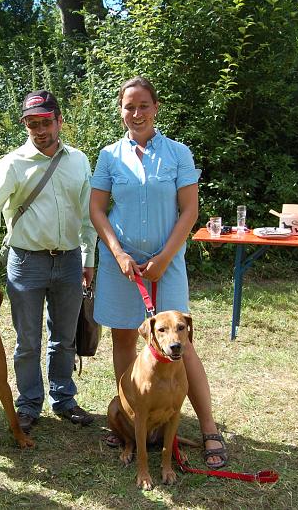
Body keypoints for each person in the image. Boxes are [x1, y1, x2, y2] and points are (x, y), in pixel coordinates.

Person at [89, 76, 228, 468]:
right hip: (122, 267)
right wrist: (116, 253)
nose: (136, 113)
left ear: (156, 107)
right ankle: (137, 425)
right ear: (121, 111)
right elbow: (97, 210)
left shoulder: (178, 153)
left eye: (143, 105)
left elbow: (189, 211)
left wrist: (166, 257)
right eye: (129, 107)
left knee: (182, 347)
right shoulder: (109, 156)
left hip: (167, 265)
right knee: (124, 343)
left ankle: (209, 429)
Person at [0, 90, 97, 433]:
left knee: (65, 337)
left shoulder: (79, 161)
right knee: (28, 341)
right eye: (31, 124)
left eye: (45, 122)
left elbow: (87, 217)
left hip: (69, 261)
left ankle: (64, 398)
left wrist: (89, 257)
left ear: (59, 120)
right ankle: (28, 404)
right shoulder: (11, 164)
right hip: (26, 263)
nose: (39, 130)